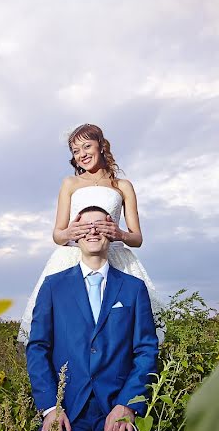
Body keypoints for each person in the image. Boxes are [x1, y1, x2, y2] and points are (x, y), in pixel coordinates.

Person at [26, 205, 158, 431]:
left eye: (100, 224)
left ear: (111, 233)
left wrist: (128, 405)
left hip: (116, 404)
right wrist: (50, 409)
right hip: (68, 408)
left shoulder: (133, 289)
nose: (93, 231)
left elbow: (146, 350)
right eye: (85, 226)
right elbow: (37, 348)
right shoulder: (53, 286)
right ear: (75, 236)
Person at [18, 123, 166, 345]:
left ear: (102, 146)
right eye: (75, 151)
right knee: (69, 324)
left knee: (122, 327)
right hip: (74, 257)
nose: (82, 154)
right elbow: (58, 235)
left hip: (114, 258)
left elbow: (137, 239)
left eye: (87, 146)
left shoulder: (123, 186)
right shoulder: (70, 184)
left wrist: (120, 233)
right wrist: (69, 231)